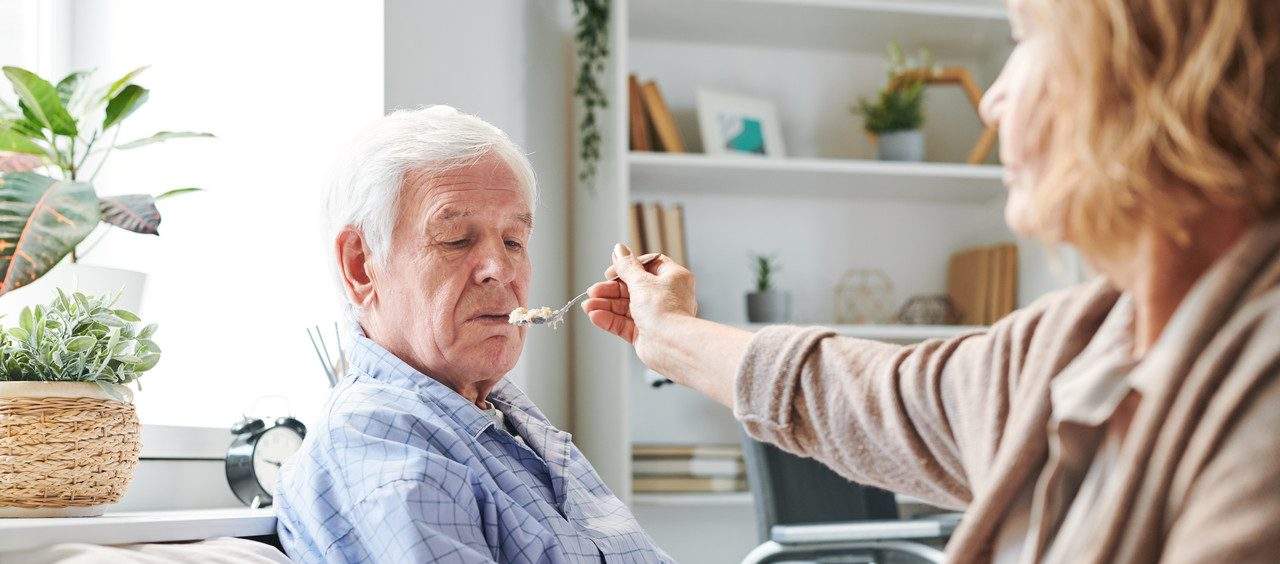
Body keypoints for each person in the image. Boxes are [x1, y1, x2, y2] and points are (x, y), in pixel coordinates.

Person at [583, 1, 1280, 562]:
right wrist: (668, 330)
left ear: (1156, 68)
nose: (992, 100)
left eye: (1026, 35)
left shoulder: (1260, 410)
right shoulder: (1077, 339)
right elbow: (846, 392)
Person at [275, 106, 671, 563]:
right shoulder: (381, 444)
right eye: (457, 239)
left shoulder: (501, 415)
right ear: (360, 265)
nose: (501, 270)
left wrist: (676, 338)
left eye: (513, 241)